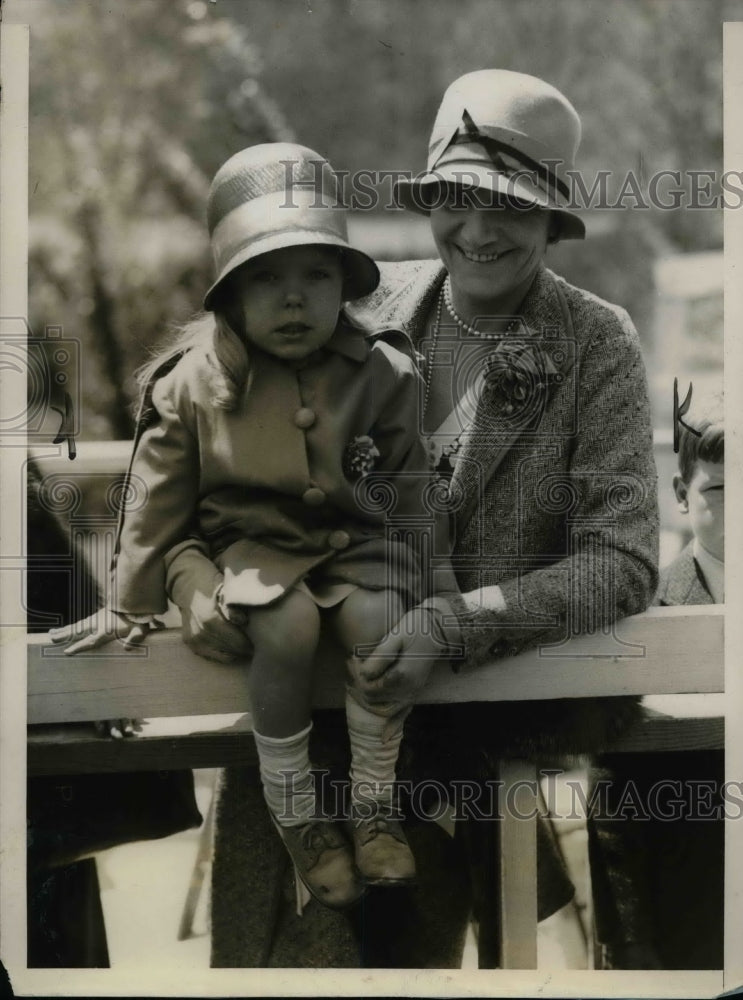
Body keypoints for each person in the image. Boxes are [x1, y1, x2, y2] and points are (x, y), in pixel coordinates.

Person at [157, 69, 659, 968]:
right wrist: (189, 575)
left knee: (400, 955)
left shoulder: (596, 342)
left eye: (510, 206)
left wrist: (459, 623)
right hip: (294, 713)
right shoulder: (357, 301)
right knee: (271, 964)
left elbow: (619, 559)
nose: (478, 230)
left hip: (458, 732)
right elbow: (199, 455)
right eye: (456, 198)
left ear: (553, 218)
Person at [51, 143, 461, 909]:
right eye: (266, 279)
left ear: (344, 283)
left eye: (314, 275)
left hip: (361, 549)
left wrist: (436, 584)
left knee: (379, 620)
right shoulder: (196, 383)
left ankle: (374, 805)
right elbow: (158, 497)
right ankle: (298, 814)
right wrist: (131, 599)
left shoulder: (383, 371)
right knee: (285, 623)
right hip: (253, 550)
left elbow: (410, 491)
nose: (295, 299)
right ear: (230, 296)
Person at [589, 386, 723, 969]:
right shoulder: (648, 612)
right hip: (690, 905)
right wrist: (630, 939)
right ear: (681, 494)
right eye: (720, 489)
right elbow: (616, 788)